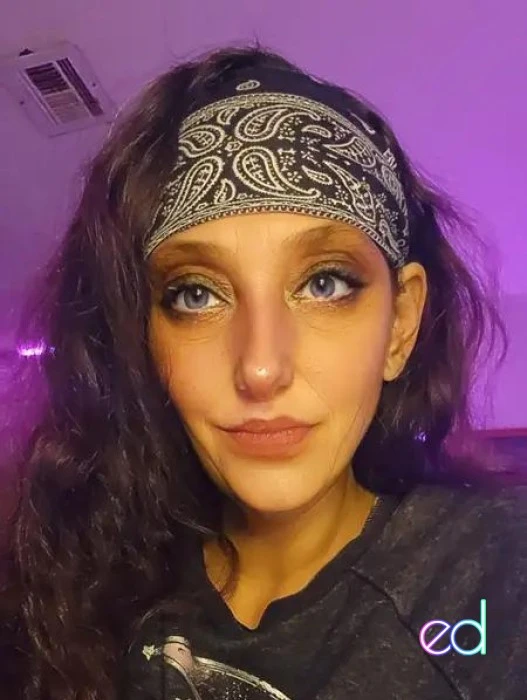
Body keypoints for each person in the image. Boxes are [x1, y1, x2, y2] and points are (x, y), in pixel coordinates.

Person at [0, 45, 526, 700]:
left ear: (400, 325)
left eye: (325, 282)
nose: (259, 367)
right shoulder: (83, 581)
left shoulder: (494, 571)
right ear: (145, 339)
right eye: (196, 294)